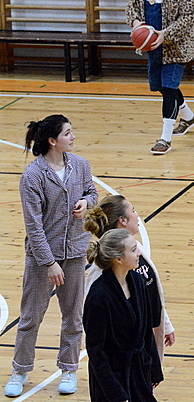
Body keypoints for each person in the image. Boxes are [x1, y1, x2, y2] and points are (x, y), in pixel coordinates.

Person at [5, 115, 97, 398]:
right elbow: (33, 226)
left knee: (74, 317)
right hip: (42, 259)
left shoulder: (80, 165)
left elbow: (92, 192)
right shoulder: (33, 176)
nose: (73, 137)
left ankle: (69, 369)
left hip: (75, 253)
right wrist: (49, 263)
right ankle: (20, 370)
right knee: (31, 317)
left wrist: (86, 202)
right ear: (52, 141)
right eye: (68, 133)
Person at [125, 0, 194, 155]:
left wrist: (165, 34)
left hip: (177, 46)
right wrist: (137, 24)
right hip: (152, 45)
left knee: (168, 88)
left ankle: (165, 139)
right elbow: (131, 6)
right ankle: (189, 117)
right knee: (161, 86)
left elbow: (188, 17)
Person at [83, 196, 175, 364]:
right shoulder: (104, 265)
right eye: (133, 210)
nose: (137, 215)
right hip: (127, 349)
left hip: (149, 335)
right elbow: (94, 314)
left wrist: (165, 324)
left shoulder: (136, 248)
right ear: (123, 220)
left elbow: (153, 289)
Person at [83, 229, 163, 402]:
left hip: (139, 373)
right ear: (118, 259)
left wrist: (154, 370)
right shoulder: (98, 297)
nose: (139, 253)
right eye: (133, 250)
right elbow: (96, 352)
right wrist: (116, 394)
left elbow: (146, 331)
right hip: (112, 380)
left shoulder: (138, 281)